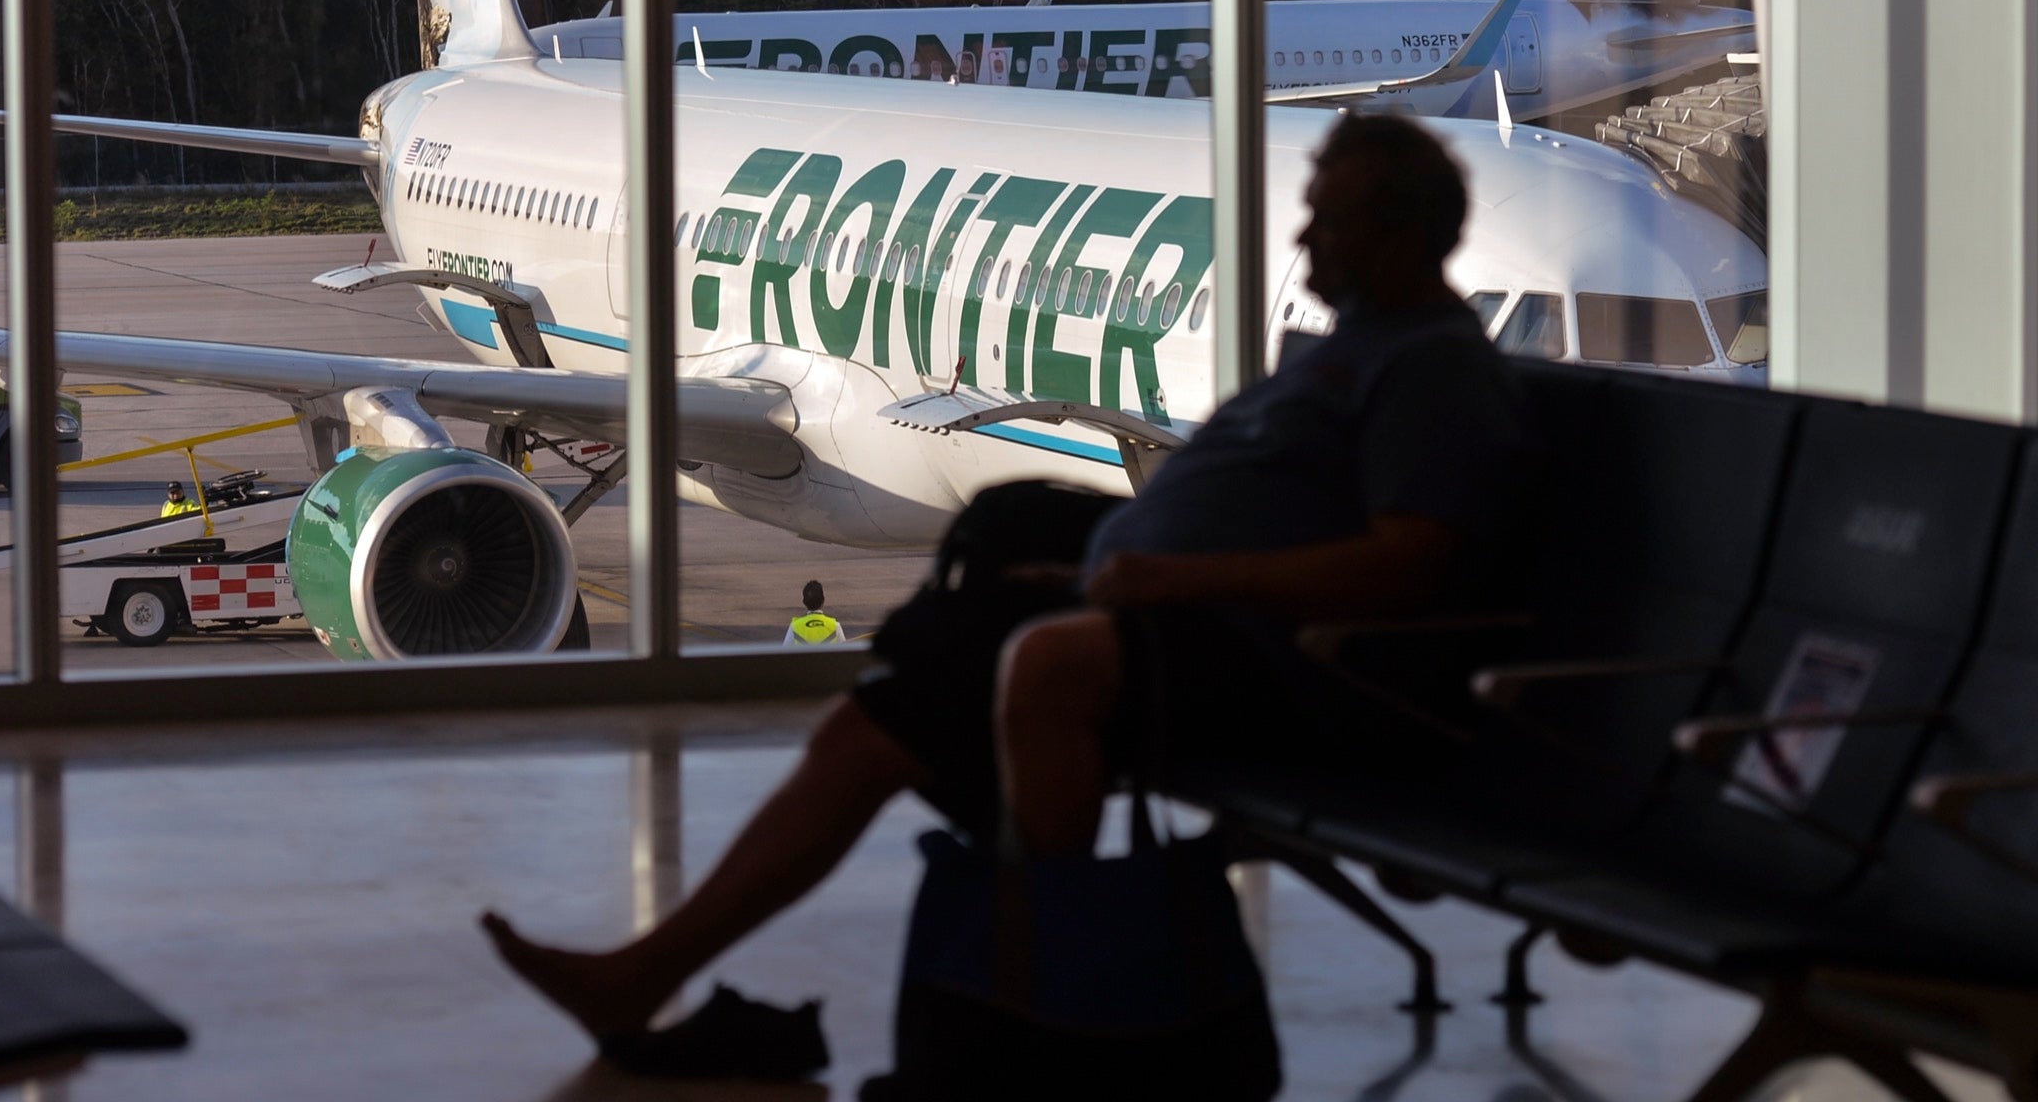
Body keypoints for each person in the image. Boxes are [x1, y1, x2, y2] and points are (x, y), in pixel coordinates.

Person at [481, 112, 1532, 1041]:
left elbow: (1409, 565)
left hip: (1278, 663)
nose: (1306, 239)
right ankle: (665, 968)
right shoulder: (1358, 345)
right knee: (916, 661)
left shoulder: (1430, 368)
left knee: (1019, 666)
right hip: (1190, 618)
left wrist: (1172, 578)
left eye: (1330, 220)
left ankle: (1038, 992)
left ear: (1402, 235)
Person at [782, 581, 844, 647]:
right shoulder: (835, 626)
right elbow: (844, 653)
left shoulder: (795, 627)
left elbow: (784, 653)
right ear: (823, 600)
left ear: (804, 602)